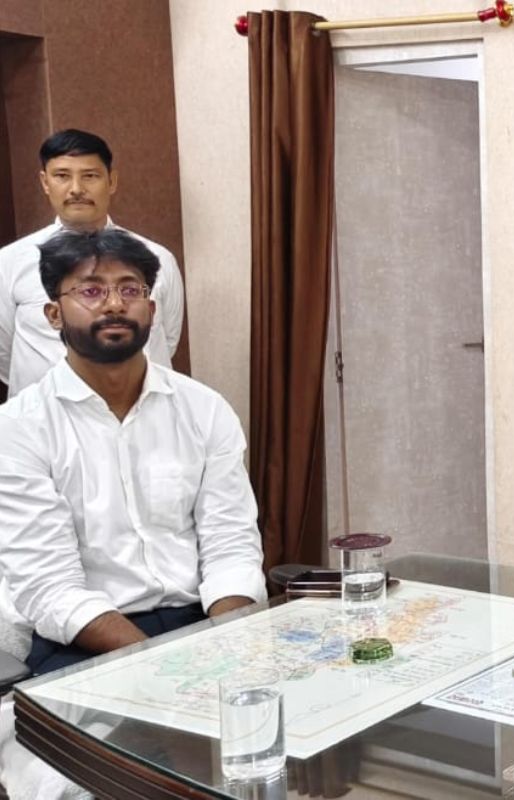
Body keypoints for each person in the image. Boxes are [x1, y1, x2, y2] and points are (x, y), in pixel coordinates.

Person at [0, 228, 264, 799]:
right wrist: (164, 670)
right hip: (86, 644)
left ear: (152, 307)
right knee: (87, 783)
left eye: (131, 288)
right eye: (91, 290)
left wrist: (223, 648)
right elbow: (49, 587)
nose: (114, 303)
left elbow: (231, 546)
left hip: (205, 629)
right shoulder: (19, 428)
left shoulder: (204, 409)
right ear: (53, 313)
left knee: (274, 753)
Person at [0, 129, 183, 398]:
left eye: (90, 176)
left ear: (112, 181)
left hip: (141, 410)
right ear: (45, 182)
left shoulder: (156, 258)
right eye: (62, 176)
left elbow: (167, 341)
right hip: (44, 416)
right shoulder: (10, 262)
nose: (76, 189)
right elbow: (4, 352)